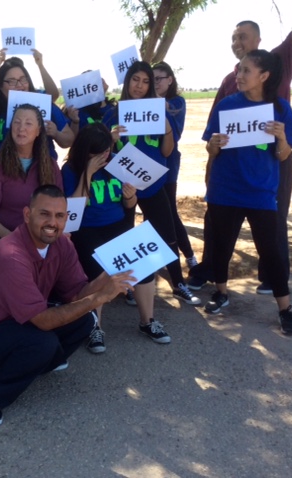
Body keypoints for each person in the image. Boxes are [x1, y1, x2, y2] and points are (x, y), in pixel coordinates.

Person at [0, 185, 135, 426]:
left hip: (17, 318)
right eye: (44, 214)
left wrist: (104, 278)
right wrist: (101, 297)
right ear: (27, 215)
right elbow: (43, 321)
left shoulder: (62, 245)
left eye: (60, 216)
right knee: (42, 342)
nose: (53, 222)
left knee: (86, 319)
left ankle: (36, 364)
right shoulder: (10, 255)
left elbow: (76, 294)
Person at [189, 0, 292, 294]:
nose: (236, 42)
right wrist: (211, 159)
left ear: (258, 40)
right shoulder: (230, 81)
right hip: (229, 166)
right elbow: (214, 128)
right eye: (233, 38)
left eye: (242, 36)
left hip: (272, 160)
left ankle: (273, 278)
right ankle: (210, 271)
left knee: (273, 219)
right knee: (217, 221)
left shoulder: (277, 60)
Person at [202, 49, 292, 335]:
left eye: (246, 70)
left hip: (260, 193)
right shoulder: (226, 105)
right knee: (220, 247)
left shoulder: (281, 109)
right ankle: (221, 293)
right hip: (225, 190)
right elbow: (210, 147)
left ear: (264, 76)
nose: (239, 74)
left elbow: (283, 156)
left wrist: (281, 137)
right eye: (238, 69)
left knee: (271, 253)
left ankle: (285, 309)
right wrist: (215, 144)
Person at [62, 124, 171, 353]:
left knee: (144, 265)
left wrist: (131, 197)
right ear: (85, 150)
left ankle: (147, 321)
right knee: (96, 270)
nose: (104, 156)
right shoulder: (70, 170)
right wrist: (88, 173)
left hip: (118, 224)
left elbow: (128, 205)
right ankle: (94, 327)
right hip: (87, 228)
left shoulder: (117, 164)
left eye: (106, 151)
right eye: (98, 153)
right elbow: (75, 209)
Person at [113, 61, 201, 307]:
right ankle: (128, 285)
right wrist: (111, 138)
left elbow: (167, 149)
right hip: (124, 185)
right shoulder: (114, 112)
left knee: (167, 234)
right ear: (127, 81)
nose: (139, 86)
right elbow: (103, 151)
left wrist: (167, 130)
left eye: (145, 81)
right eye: (135, 80)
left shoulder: (158, 111)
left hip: (152, 184)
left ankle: (178, 284)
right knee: (124, 235)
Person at [0, 104, 63, 256]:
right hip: (2, 238)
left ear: (38, 131)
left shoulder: (50, 165)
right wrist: (16, 240)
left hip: (41, 238)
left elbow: (58, 208)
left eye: (28, 123)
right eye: (17, 122)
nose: (21, 128)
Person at [0, 56, 73, 168]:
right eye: (12, 81)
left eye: (23, 79)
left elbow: (68, 139)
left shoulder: (43, 103)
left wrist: (56, 134)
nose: (19, 85)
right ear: (0, 86)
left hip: (41, 174)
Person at [152, 61, 198, 270]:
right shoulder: (145, 102)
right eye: (151, 80)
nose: (155, 83)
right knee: (153, 215)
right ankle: (160, 259)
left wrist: (161, 110)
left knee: (170, 212)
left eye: (159, 79)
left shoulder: (176, 103)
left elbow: (176, 134)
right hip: (147, 166)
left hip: (168, 166)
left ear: (170, 80)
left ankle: (188, 255)